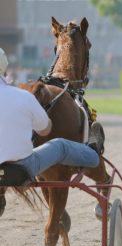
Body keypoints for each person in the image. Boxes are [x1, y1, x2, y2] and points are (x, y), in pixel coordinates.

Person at [0, 47, 104, 189]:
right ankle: (93, 153)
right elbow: (45, 130)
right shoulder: (23, 96)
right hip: (21, 169)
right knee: (60, 145)